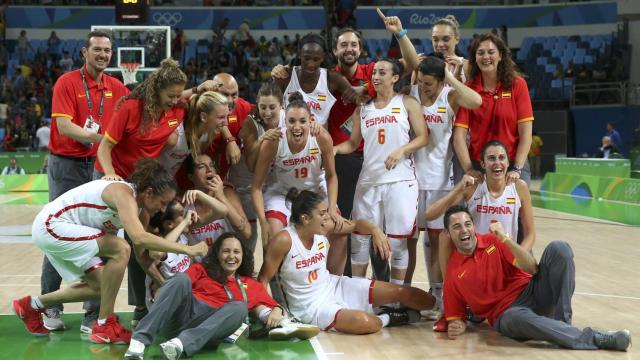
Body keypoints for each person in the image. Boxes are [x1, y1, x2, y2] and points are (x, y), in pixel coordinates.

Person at [12, 159, 208, 344]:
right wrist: (188, 249)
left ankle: (32, 306)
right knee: (121, 248)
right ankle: (105, 324)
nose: (163, 208)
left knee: (101, 286)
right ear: (149, 192)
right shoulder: (123, 194)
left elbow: (142, 254)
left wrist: (163, 283)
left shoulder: (140, 211)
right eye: (162, 202)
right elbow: (139, 238)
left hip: (63, 228)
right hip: (51, 225)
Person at [442, 205, 631, 351]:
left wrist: (505, 238)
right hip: (507, 315)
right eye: (456, 227)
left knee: (559, 248)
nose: (464, 230)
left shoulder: (494, 241)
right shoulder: (453, 273)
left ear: (473, 226)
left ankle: (563, 326)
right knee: (514, 317)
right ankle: (593, 338)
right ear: (448, 233)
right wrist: (456, 325)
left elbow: (532, 267)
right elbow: (455, 317)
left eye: (467, 224)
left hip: (533, 291)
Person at [44, 29, 130, 333]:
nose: (103, 55)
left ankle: (92, 316)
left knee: (102, 235)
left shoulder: (117, 86)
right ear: (84, 52)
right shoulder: (66, 83)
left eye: (107, 50)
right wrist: (100, 137)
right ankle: (50, 307)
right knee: (57, 233)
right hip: (66, 166)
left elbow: (132, 114)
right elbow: (65, 128)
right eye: (97, 50)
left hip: (97, 166)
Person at [259, 190, 436, 334]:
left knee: (404, 293)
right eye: (322, 214)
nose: (327, 218)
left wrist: (375, 231)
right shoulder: (284, 240)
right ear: (305, 219)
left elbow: (356, 224)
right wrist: (270, 311)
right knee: (369, 323)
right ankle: (391, 317)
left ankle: (445, 309)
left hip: (334, 285)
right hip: (310, 308)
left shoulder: (324, 227)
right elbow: (262, 280)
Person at [125, 232, 318, 360]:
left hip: (208, 327)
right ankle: (140, 340)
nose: (231, 256)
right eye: (226, 251)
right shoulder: (202, 269)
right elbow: (178, 285)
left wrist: (277, 309)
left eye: (236, 252)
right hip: (183, 314)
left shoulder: (250, 285)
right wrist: (165, 293)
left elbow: (272, 305)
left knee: (239, 307)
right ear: (217, 254)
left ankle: (180, 344)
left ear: (243, 256)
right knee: (181, 280)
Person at [335, 58, 428, 286]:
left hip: (400, 181)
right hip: (369, 181)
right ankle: (359, 294)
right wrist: (332, 149)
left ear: (395, 78)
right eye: (374, 72)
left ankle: (395, 298)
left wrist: (402, 150)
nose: (376, 76)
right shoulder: (362, 109)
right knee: (359, 241)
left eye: (382, 72)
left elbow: (424, 137)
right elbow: (353, 143)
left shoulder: (407, 102)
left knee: (397, 243)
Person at [404, 55, 482, 315]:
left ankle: (439, 294)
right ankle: (405, 292)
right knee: (409, 239)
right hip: (411, 179)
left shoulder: (449, 96)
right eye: (421, 82)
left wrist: (450, 77)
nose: (423, 87)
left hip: (439, 178)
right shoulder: (411, 92)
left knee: (438, 240)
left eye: (429, 83)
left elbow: (476, 101)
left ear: (440, 81)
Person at [251, 93, 340, 250]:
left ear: (310, 120)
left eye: (302, 121)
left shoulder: (321, 137)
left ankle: (329, 275)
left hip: (314, 192)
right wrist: (263, 223)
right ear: (284, 121)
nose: (297, 127)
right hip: (282, 193)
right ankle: (274, 275)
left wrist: (332, 207)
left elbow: (331, 177)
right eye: (291, 121)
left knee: (338, 229)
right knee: (273, 237)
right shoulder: (274, 141)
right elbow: (257, 187)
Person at [453, 32, 534, 186]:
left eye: (491, 52)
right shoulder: (469, 89)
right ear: (475, 58)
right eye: (480, 53)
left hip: (513, 165)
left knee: (519, 210)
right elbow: (459, 136)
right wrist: (469, 168)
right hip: (479, 166)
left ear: (500, 55)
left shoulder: (518, 84)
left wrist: (517, 168)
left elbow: (526, 133)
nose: (486, 57)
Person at [229, 82, 286, 255]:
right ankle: (246, 277)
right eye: (263, 107)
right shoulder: (251, 122)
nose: (267, 113)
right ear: (257, 104)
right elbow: (252, 166)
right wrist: (263, 141)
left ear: (282, 105)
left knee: (277, 239)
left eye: (272, 107)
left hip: (271, 185)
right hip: (245, 185)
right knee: (249, 239)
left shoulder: (289, 119)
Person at [271, 32, 362, 127]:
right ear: (299, 54)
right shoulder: (285, 77)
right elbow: (268, 107)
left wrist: (351, 126)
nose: (310, 64)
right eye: (306, 58)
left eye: (316, 59)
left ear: (323, 57)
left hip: (318, 139)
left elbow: (360, 100)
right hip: (288, 138)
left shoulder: (333, 79)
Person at [184, 153, 251, 248]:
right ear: (191, 176)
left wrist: (221, 197)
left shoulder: (228, 194)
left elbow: (247, 232)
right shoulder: (184, 201)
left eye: (211, 165)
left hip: (225, 259)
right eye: (201, 167)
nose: (209, 169)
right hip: (198, 261)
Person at [156, 91, 229, 176]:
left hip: (167, 180)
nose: (226, 123)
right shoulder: (173, 137)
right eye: (221, 117)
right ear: (203, 117)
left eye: (227, 116)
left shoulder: (209, 134)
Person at [431, 15, 469, 82]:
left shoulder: (467, 66)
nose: (440, 45)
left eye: (446, 39)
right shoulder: (425, 66)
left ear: (457, 39)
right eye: (435, 40)